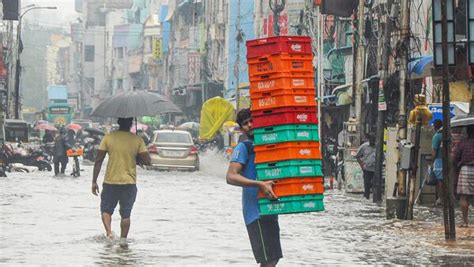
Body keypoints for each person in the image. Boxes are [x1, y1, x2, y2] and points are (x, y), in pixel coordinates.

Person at [226, 108, 282, 267]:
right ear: (241, 128)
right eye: (245, 124)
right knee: (268, 260)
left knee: (274, 258)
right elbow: (230, 176)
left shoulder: (267, 146)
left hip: (269, 209)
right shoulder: (243, 148)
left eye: (252, 121)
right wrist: (259, 184)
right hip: (255, 212)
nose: (250, 125)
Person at [91, 117, 151, 241]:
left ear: (118, 123)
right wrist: (136, 156)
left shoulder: (108, 137)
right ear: (130, 125)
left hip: (110, 181)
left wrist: (94, 181)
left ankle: (109, 233)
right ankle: (123, 241)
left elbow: (98, 160)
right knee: (126, 214)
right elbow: (147, 161)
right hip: (129, 183)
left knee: (106, 210)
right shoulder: (137, 140)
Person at [453, 125, 474, 227]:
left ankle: (465, 222)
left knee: (464, 197)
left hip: (465, 169)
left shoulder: (463, 143)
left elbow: (455, 157)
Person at [356, 134, 376, 199]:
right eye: (371, 140)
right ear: (369, 140)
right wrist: (362, 165)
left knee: (375, 184)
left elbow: (382, 158)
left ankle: (374, 198)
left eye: (373, 140)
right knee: (367, 184)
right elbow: (357, 156)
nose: (372, 141)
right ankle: (366, 197)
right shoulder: (364, 146)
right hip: (367, 169)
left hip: (375, 169)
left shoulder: (378, 147)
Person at [431, 119, 444, 205]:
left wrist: (432, 162)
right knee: (444, 180)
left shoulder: (436, 136)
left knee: (440, 180)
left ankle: (440, 199)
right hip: (447, 159)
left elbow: (434, 151)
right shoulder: (445, 135)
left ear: (435, 126)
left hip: (439, 160)